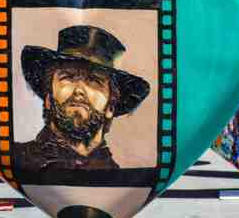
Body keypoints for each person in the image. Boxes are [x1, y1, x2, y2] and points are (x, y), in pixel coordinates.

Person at [11, 25, 151, 175]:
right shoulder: (14, 160)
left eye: (94, 80)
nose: (79, 90)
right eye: (68, 77)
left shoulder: (119, 177)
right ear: (48, 98)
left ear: (111, 106)